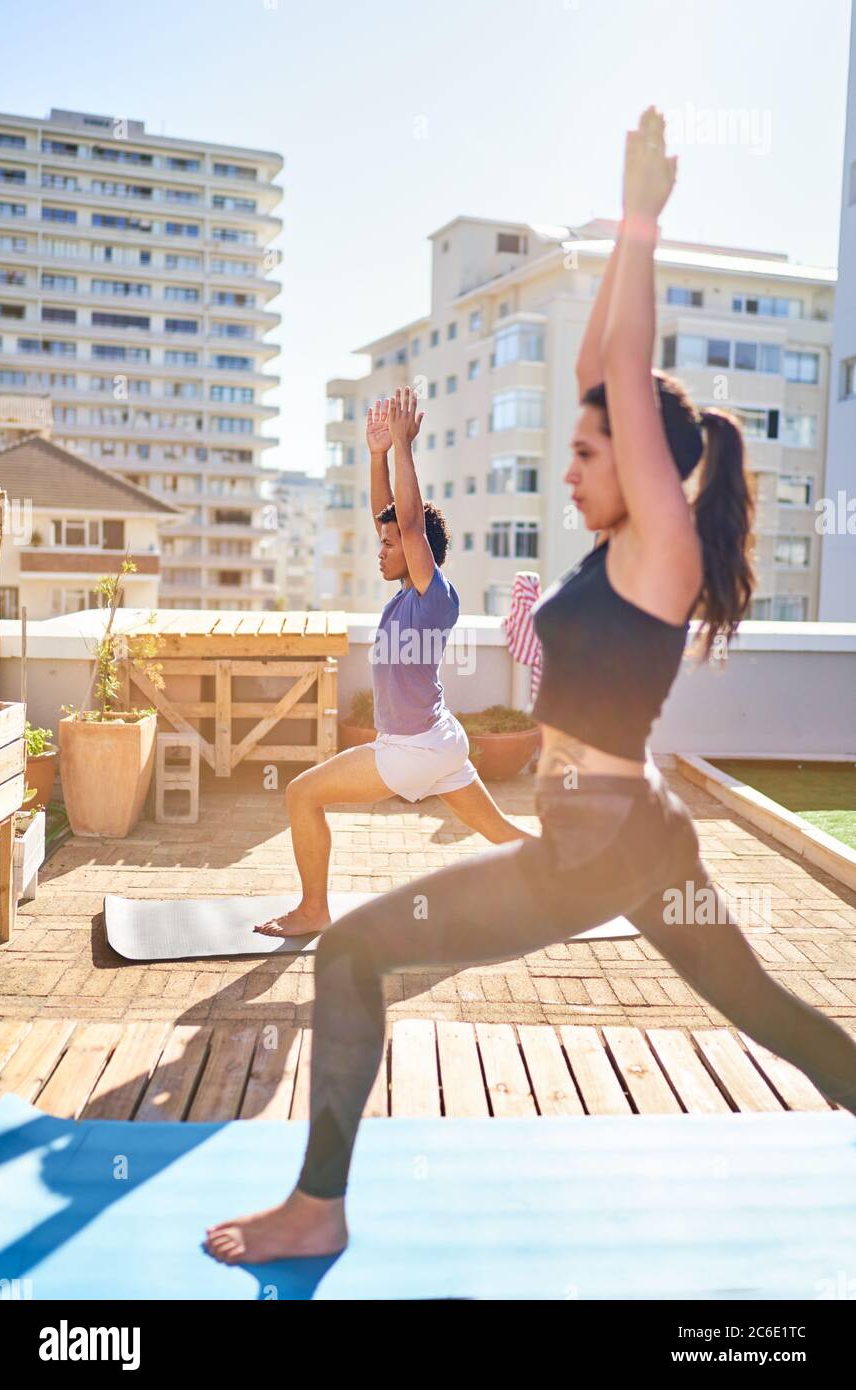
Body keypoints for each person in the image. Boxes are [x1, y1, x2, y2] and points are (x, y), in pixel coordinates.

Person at [206, 107, 856, 1264]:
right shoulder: (620, 554)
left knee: (355, 953)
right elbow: (596, 364)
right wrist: (619, 253)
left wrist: (643, 222)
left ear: (652, 472)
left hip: (597, 845)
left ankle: (317, 1207)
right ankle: (319, 1202)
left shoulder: (662, 546)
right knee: (776, 1016)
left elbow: (616, 363)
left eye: (592, 452)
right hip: (628, 838)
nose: (570, 462)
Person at [253, 387, 531, 939]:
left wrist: (404, 445)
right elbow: (393, 519)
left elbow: (407, 525)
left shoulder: (436, 597)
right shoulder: (408, 592)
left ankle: (313, 911)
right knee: (500, 830)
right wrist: (377, 454)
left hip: (413, 749)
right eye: (380, 542)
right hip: (438, 739)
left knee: (301, 794)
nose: (379, 550)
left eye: (389, 544)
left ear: (417, 549)